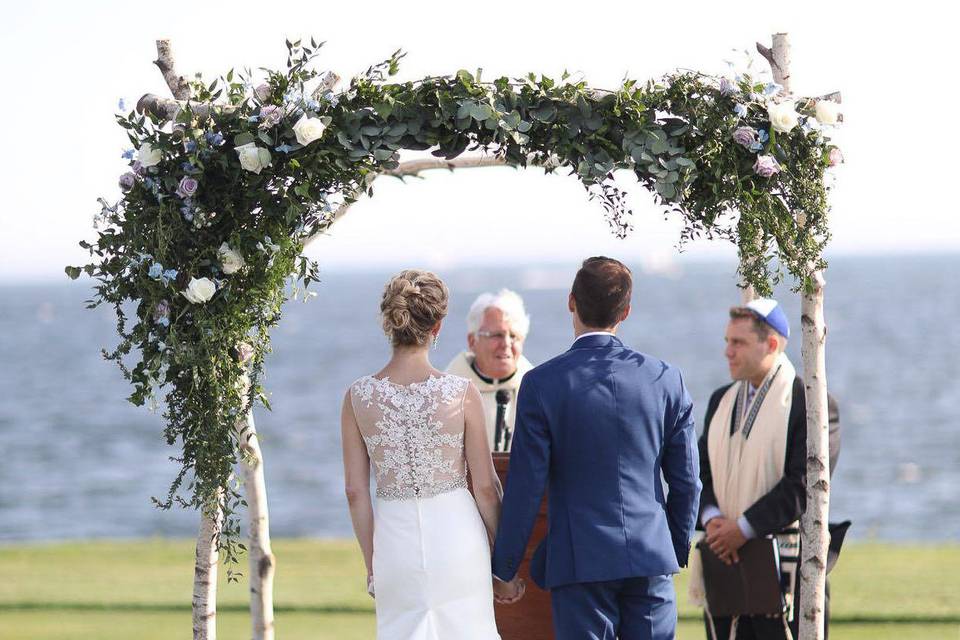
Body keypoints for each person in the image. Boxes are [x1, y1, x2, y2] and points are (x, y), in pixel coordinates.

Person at [491, 256, 702, 640]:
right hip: (651, 558)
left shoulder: (541, 384)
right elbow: (688, 482)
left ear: (571, 301)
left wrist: (505, 568)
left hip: (579, 563)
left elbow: (525, 487)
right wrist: (670, 547)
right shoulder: (666, 380)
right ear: (626, 311)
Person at [340, 269, 520, 640]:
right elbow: (486, 489)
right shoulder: (461, 392)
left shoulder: (357, 397)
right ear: (437, 326)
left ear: (389, 323)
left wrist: (373, 564)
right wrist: (504, 566)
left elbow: (355, 493)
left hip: (394, 542)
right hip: (458, 538)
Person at [691, 298, 841, 640]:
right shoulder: (721, 400)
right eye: (727, 341)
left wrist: (742, 529)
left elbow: (805, 485)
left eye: (738, 342)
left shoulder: (812, 402)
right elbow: (701, 471)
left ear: (771, 344)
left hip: (787, 570)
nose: (727, 351)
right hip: (725, 562)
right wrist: (713, 519)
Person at [446, 289, 534, 451]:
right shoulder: (448, 394)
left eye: (514, 336)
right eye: (497, 335)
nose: (507, 344)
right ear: (472, 341)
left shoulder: (537, 392)